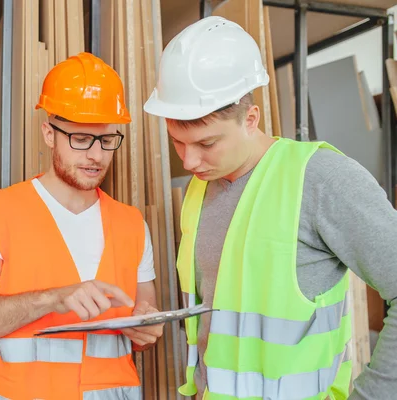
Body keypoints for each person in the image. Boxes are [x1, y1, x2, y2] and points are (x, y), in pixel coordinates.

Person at [143, 16, 397, 400]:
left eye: (206, 143)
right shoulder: (200, 191)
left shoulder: (320, 179)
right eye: (178, 142)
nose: (190, 162)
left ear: (250, 119)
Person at [0, 52, 164, 400]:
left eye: (107, 140)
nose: (96, 155)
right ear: (49, 133)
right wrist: (51, 299)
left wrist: (147, 330)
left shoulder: (132, 225)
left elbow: (143, 324)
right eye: (80, 139)